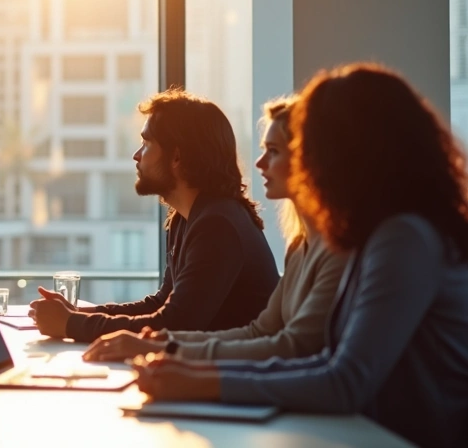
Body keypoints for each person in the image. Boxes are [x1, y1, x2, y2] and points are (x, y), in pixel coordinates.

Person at [134, 65, 468, 448]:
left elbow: (344, 380)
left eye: (312, 146)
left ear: (351, 152)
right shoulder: (377, 235)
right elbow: (318, 358)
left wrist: (205, 380)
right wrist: (189, 364)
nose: (304, 161)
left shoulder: (404, 238)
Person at [83, 97, 349, 362]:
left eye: (274, 151)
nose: (259, 163)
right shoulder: (297, 246)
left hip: (260, 388)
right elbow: (260, 332)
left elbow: (179, 321)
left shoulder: (218, 223)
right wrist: (80, 315)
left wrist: (164, 350)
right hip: (249, 379)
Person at [29, 89, 279, 343]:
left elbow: (173, 324)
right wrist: (78, 313)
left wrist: (71, 324)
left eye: (147, 144)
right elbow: (161, 304)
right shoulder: (185, 217)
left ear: (177, 157)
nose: (136, 155)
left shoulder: (217, 225)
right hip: (205, 368)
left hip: (232, 375)